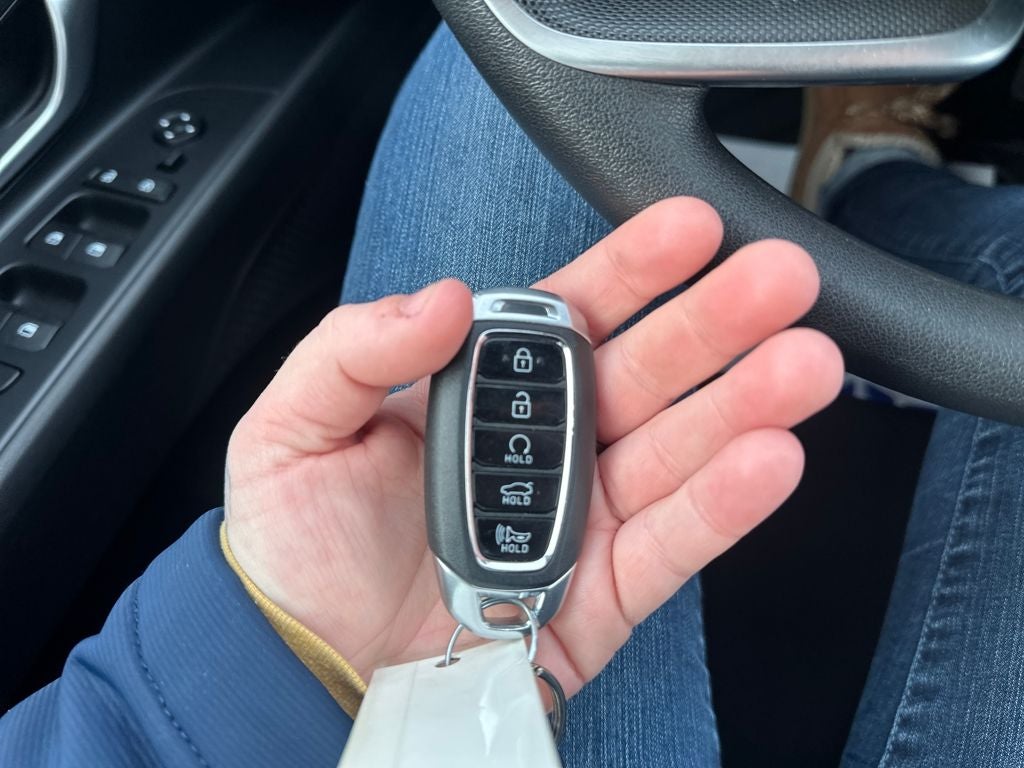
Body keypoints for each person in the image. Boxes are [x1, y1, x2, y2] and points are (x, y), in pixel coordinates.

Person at [2, 24, 1024, 768]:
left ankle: (860, 177)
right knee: (1010, 265)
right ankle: (867, 177)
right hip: (471, 618)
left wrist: (274, 649)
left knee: (507, 67)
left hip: (312, 696)